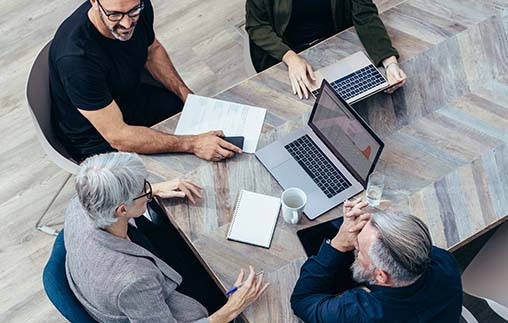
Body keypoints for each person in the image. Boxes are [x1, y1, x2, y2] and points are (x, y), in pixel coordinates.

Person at [64, 152, 269, 322]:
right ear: (122, 209)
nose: (148, 189)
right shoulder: (134, 282)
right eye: (143, 189)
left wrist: (156, 190)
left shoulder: (81, 201)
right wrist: (233, 308)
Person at [50, 0, 241, 162]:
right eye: (115, 15)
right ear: (94, 2)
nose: (126, 23)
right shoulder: (76, 60)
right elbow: (118, 137)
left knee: (193, 115)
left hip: (130, 98)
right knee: (178, 171)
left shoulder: (139, 7)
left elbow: (152, 50)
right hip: (96, 137)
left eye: (133, 11)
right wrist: (192, 143)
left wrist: (186, 94)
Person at [290, 199, 463, 322]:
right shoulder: (444, 262)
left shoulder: (361, 314)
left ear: (381, 276)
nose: (355, 248)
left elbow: (303, 300)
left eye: (360, 250)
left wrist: (339, 244)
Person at [246, 0, 407, 99]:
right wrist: (290, 57)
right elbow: (257, 26)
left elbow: (365, 13)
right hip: (285, 49)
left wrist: (389, 61)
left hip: (333, 43)